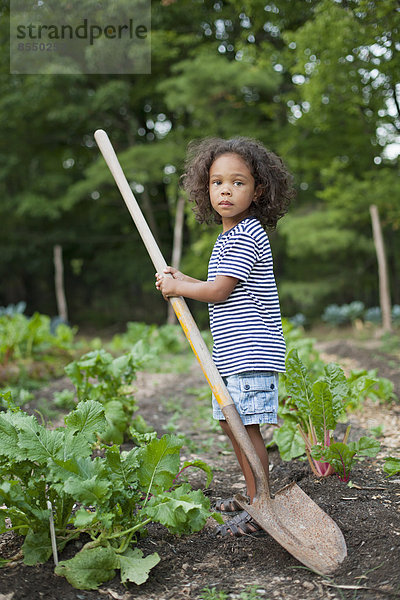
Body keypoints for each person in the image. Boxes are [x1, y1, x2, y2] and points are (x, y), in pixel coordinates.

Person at [155, 137, 294, 536]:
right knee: (231, 425)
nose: (226, 191)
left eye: (238, 182)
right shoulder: (231, 237)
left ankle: (260, 504)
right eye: (217, 183)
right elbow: (218, 284)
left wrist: (180, 288)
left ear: (259, 190)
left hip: (252, 350)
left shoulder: (246, 235)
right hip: (235, 352)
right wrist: (182, 279)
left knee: (245, 427)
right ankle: (255, 495)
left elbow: (218, 291)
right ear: (206, 189)